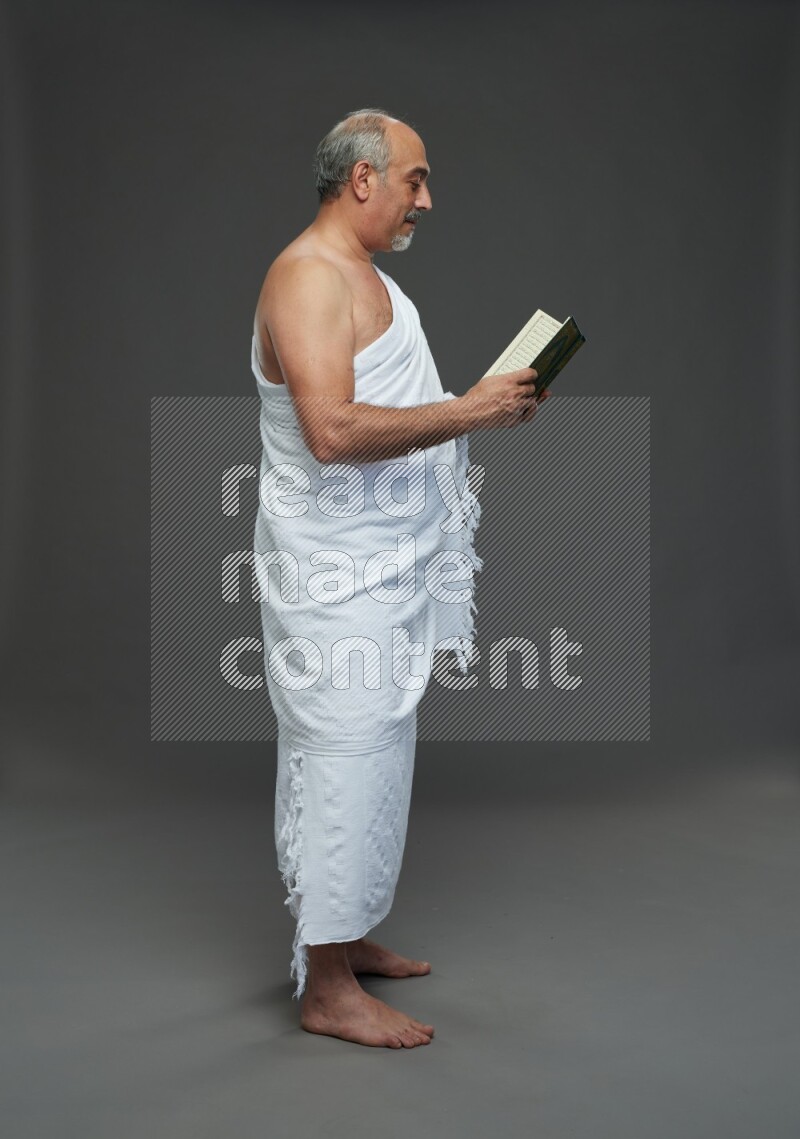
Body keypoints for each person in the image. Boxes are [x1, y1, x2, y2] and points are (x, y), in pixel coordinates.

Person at [251, 108, 547, 1049]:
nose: (427, 197)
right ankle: (326, 985)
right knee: (340, 753)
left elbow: (395, 405)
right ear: (363, 180)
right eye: (414, 179)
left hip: (391, 560)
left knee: (379, 747)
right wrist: (469, 412)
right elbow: (332, 434)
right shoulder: (306, 278)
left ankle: (348, 934)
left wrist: (479, 407)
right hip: (333, 570)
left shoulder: (371, 279)